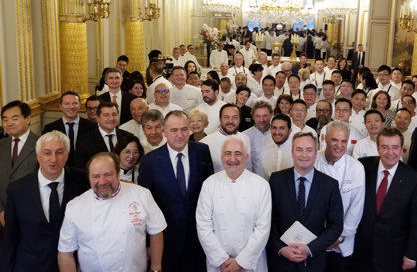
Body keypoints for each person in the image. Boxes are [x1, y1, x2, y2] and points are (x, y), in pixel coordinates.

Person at [58, 153, 166, 272]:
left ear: (118, 173)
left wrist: (156, 267)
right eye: (96, 176)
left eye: (108, 175)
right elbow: (65, 253)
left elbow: (156, 230)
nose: (102, 181)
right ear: (89, 177)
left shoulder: (141, 195)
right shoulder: (75, 206)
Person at [138, 111, 214, 272]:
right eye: (174, 130)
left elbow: (210, 193)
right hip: (166, 240)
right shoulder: (149, 161)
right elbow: (144, 207)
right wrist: (148, 244)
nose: (180, 135)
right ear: (164, 132)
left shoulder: (202, 151)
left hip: (199, 238)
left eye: (184, 129)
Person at [4, 131, 89, 272]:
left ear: (67, 155)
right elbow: (10, 237)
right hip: (29, 266)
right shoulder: (17, 189)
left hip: (72, 265)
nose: (53, 159)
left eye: (59, 152)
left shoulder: (83, 181)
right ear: (38, 156)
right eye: (47, 153)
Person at [267, 131, 344, 271]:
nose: (304, 155)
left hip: (313, 261)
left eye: (309, 150)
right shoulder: (276, 180)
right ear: (292, 152)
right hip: (281, 262)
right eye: (299, 150)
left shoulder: (330, 185)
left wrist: (310, 249)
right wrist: (281, 248)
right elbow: (268, 221)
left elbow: (336, 226)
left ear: (315, 153)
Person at [352, 128, 417, 272]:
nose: (390, 152)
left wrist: (411, 255)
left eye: (395, 147)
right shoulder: (362, 166)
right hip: (360, 249)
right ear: (378, 148)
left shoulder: (414, 179)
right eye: (385, 147)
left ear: (402, 149)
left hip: (393, 253)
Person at [196, 136, 271, 272]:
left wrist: (241, 262)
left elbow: (263, 228)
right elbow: (203, 225)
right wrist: (222, 259)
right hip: (219, 264)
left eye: (238, 154)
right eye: (228, 153)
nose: (232, 159)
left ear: (246, 157)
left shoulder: (261, 185)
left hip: (251, 263)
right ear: (221, 157)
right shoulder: (209, 184)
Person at [315, 121, 365, 272]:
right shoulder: (313, 160)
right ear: (325, 139)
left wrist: (339, 237)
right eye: (335, 140)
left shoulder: (356, 167)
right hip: (313, 238)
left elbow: (356, 207)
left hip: (342, 241)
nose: (339, 145)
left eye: (344, 141)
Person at [0, 101, 39, 230]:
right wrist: (1, 211)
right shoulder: (1, 145)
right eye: (5, 119)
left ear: (27, 119)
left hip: (31, 215)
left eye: (14, 118)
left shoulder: (41, 144)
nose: (9, 123)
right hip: (2, 215)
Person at [42, 91, 96, 167]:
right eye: (67, 104)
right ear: (60, 106)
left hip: (85, 172)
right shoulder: (50, 128)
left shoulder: (92, 127)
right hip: (60, 170)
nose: (71, 107)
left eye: (75, 103)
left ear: (80, 105)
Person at [74, 102, 131, 168]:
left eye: (114, 114)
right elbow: (81, 168)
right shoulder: (84, 141)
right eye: (106, 115)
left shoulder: (128, 137)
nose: (111, 118)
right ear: (98, 118)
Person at [201, 104, 251, 172]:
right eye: (226, 117)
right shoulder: (206, 143)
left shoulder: (245, 138)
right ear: (220, 119)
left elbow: (248, 168)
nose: (230, 121)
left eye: (235, 117)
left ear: (239, 119)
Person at [259, 114, 294, 180]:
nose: (277, 132)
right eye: (274, 128)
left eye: (282, 128)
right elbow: (262, 179)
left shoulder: (297, 151)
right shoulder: (264, 151)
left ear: (289, 131)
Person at [243, 101, 273, 175]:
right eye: (258, 116)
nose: (261, 120)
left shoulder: (277, 134)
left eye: (265, 116)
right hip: (254, 181)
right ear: (253, 117)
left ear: (271, 115)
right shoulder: (245, 136)